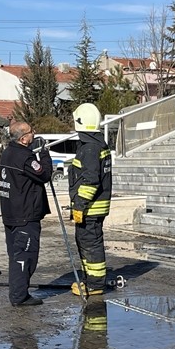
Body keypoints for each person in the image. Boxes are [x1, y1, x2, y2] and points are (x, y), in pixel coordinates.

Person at [0, 121, 53, 307]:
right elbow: (44, 174)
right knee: (25, 256)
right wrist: (44, 153)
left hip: (11, 213)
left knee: (16, 255)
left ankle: (19, 292)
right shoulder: (24, 157)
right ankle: (19, 296)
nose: (34, 133)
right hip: (25, 215)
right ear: (23, 139)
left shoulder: (7, 153)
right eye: (31, 132)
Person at [67, 103, 113, 297]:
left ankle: (94, 285)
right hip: (94, 207)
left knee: (91, 246)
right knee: (86, 243)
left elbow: (90, 180)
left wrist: (79, 205)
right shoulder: (97, 144)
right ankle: (90, 280)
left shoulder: (90, 148)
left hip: (90, 209)